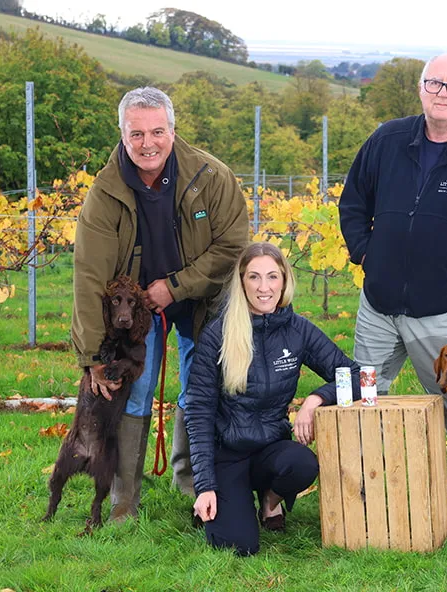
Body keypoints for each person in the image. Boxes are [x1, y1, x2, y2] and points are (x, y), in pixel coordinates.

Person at [338, 53, 447, 514]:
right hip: (378, 307)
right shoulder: (387, 139)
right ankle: (365, 481)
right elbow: (353, 203)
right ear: (421, 88)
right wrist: (367, 254)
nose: (444, 93)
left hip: (442, 312)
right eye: (435, 83)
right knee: (364, 394)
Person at [71, 86, 249, 522]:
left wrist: (175, 286)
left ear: (172, 129)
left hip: (201, 298)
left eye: (157, 131)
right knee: (133, 391)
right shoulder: (105, 192)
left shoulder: (211, 175)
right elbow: (89, 274)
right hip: (136, 311)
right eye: (136, 134)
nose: (147, 143)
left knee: (200, 387)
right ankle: (124, 499)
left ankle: (190, 481)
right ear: (122, 134)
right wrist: (93, 354)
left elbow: (232, 245)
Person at [185, 242, 361, 556]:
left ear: (284, 281)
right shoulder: (217, 335)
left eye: (272, 277)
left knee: (303, 463)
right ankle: (229, 500)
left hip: (271, 448)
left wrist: (315, 399)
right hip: (229, 454)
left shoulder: (298, 330)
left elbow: (354, 374)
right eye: (254, 277)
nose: (264, 287)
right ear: (242, 282)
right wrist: (205, 486)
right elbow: (198, 413)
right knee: (238, 547)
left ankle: (269, 501)